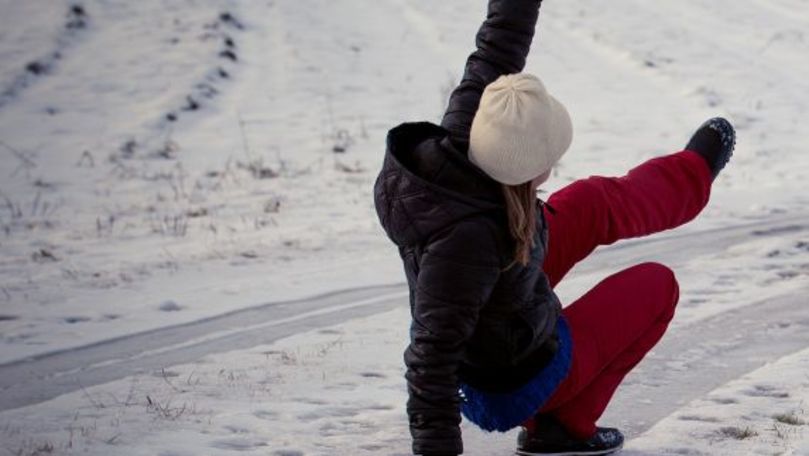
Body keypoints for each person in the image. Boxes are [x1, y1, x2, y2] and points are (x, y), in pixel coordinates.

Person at [372, 0, 736, 455]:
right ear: (526, 171)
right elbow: (430, 358)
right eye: (549, 161)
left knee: (588, 201)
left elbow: (498, 45)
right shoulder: (464, 247)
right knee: (656, 286)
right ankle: (565, 425)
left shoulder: (476, 127)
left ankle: (690, 174)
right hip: (512, 381)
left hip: (504, 308)